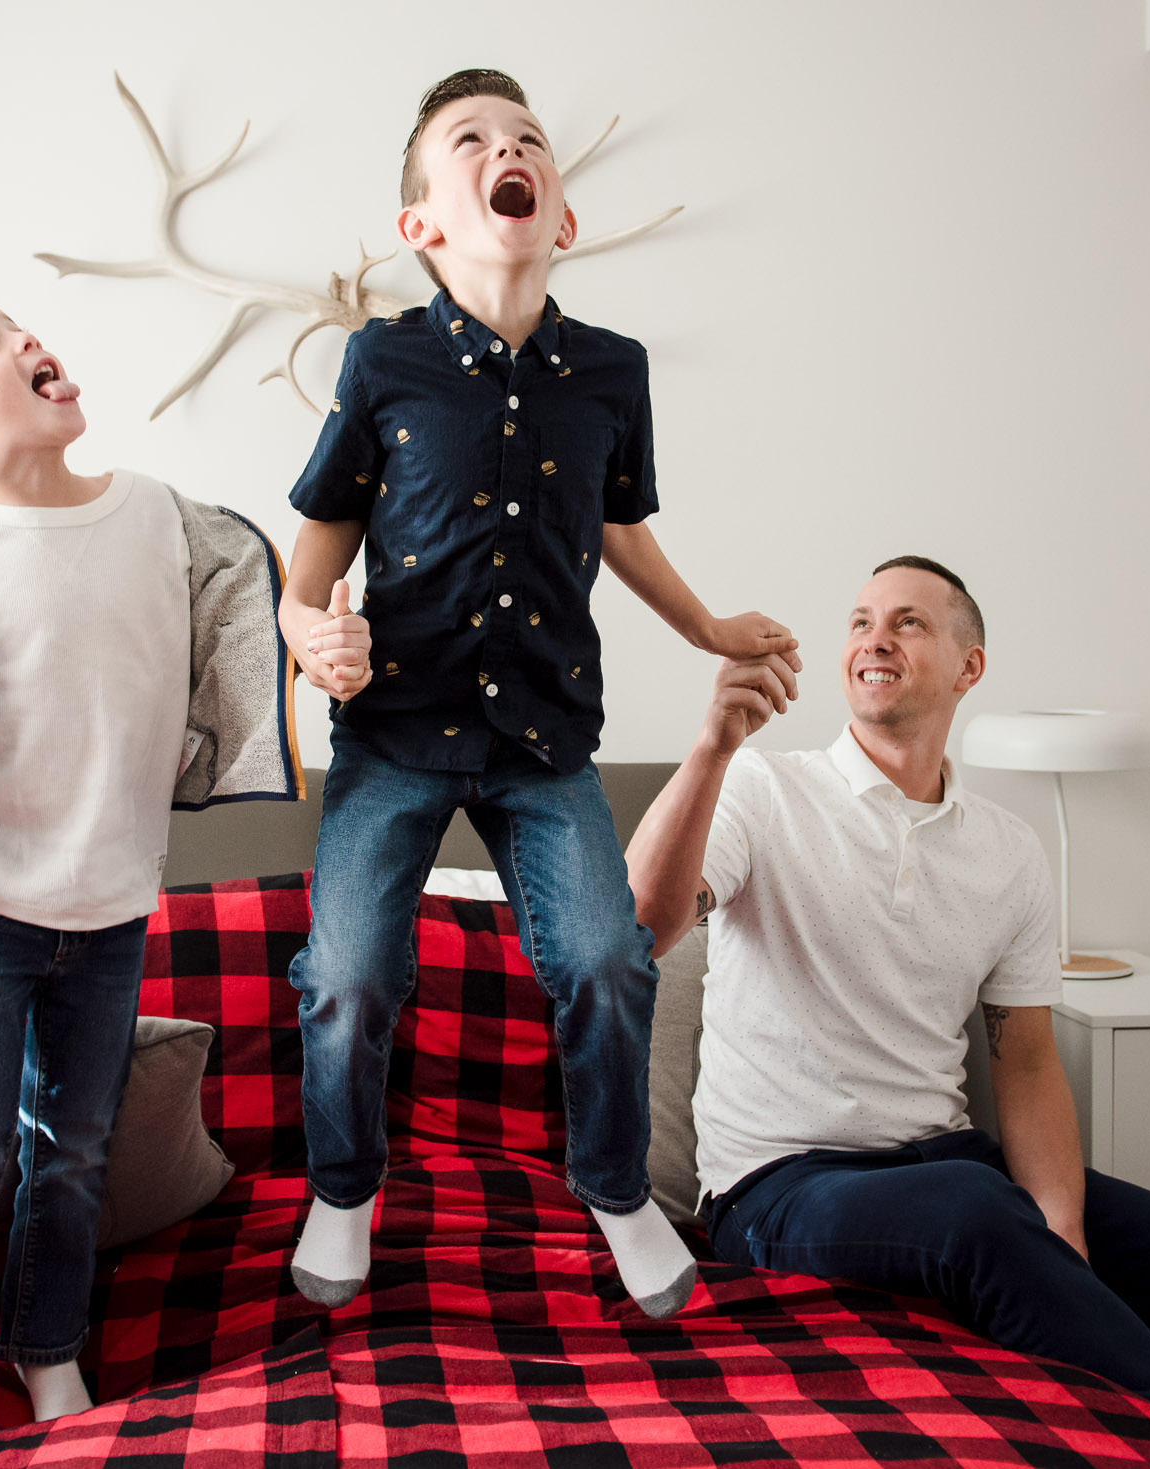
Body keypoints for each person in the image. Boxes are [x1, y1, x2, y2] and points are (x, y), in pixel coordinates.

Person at [279, 68, 799, 1319]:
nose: (505, 150)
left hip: (544, 739)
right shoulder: (382, 361)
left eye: (527, 142)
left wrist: (709, 625)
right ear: (423, 223)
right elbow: (318, 544)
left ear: (556, 215)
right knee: (347, 974)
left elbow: (622, 532)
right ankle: (344, 1188)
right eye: (470, 142)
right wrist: (309, 632)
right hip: (396, 734)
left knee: (612, 964)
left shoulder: (610, 372)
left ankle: (615, 1188)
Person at [624, 555, 1150, 1447]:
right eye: (861, 619)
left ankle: (1126, 1434)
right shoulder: (763, 791)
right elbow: (637, 933)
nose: (874, 637)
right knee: (974, 1204)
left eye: (909, 621)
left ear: (970, 666)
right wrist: (712, 746)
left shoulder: (1009, 851)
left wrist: (1062, 1227)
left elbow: (1025, 1059)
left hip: (953, 1169)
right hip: (779, 1188)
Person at [0, 280, 296, 1451]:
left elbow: (258, 609)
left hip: (113, 899)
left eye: (14, 322)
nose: (24, 337)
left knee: (73, 1148)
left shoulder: (163, 520)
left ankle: (46, 1343)